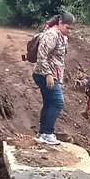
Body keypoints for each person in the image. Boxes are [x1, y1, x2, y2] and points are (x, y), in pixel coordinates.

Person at [32, 12, 76, 145]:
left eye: (71, 29)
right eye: (67, 28)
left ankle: (42, 133)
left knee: (49, 103)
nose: (69, 31)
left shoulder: (62, 36)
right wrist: (48, 74)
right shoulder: (52, 35)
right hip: (44, 75)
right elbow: (41, 55)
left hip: (52, 74)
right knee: (57, 102)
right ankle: (47, 133)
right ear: (60, 23)